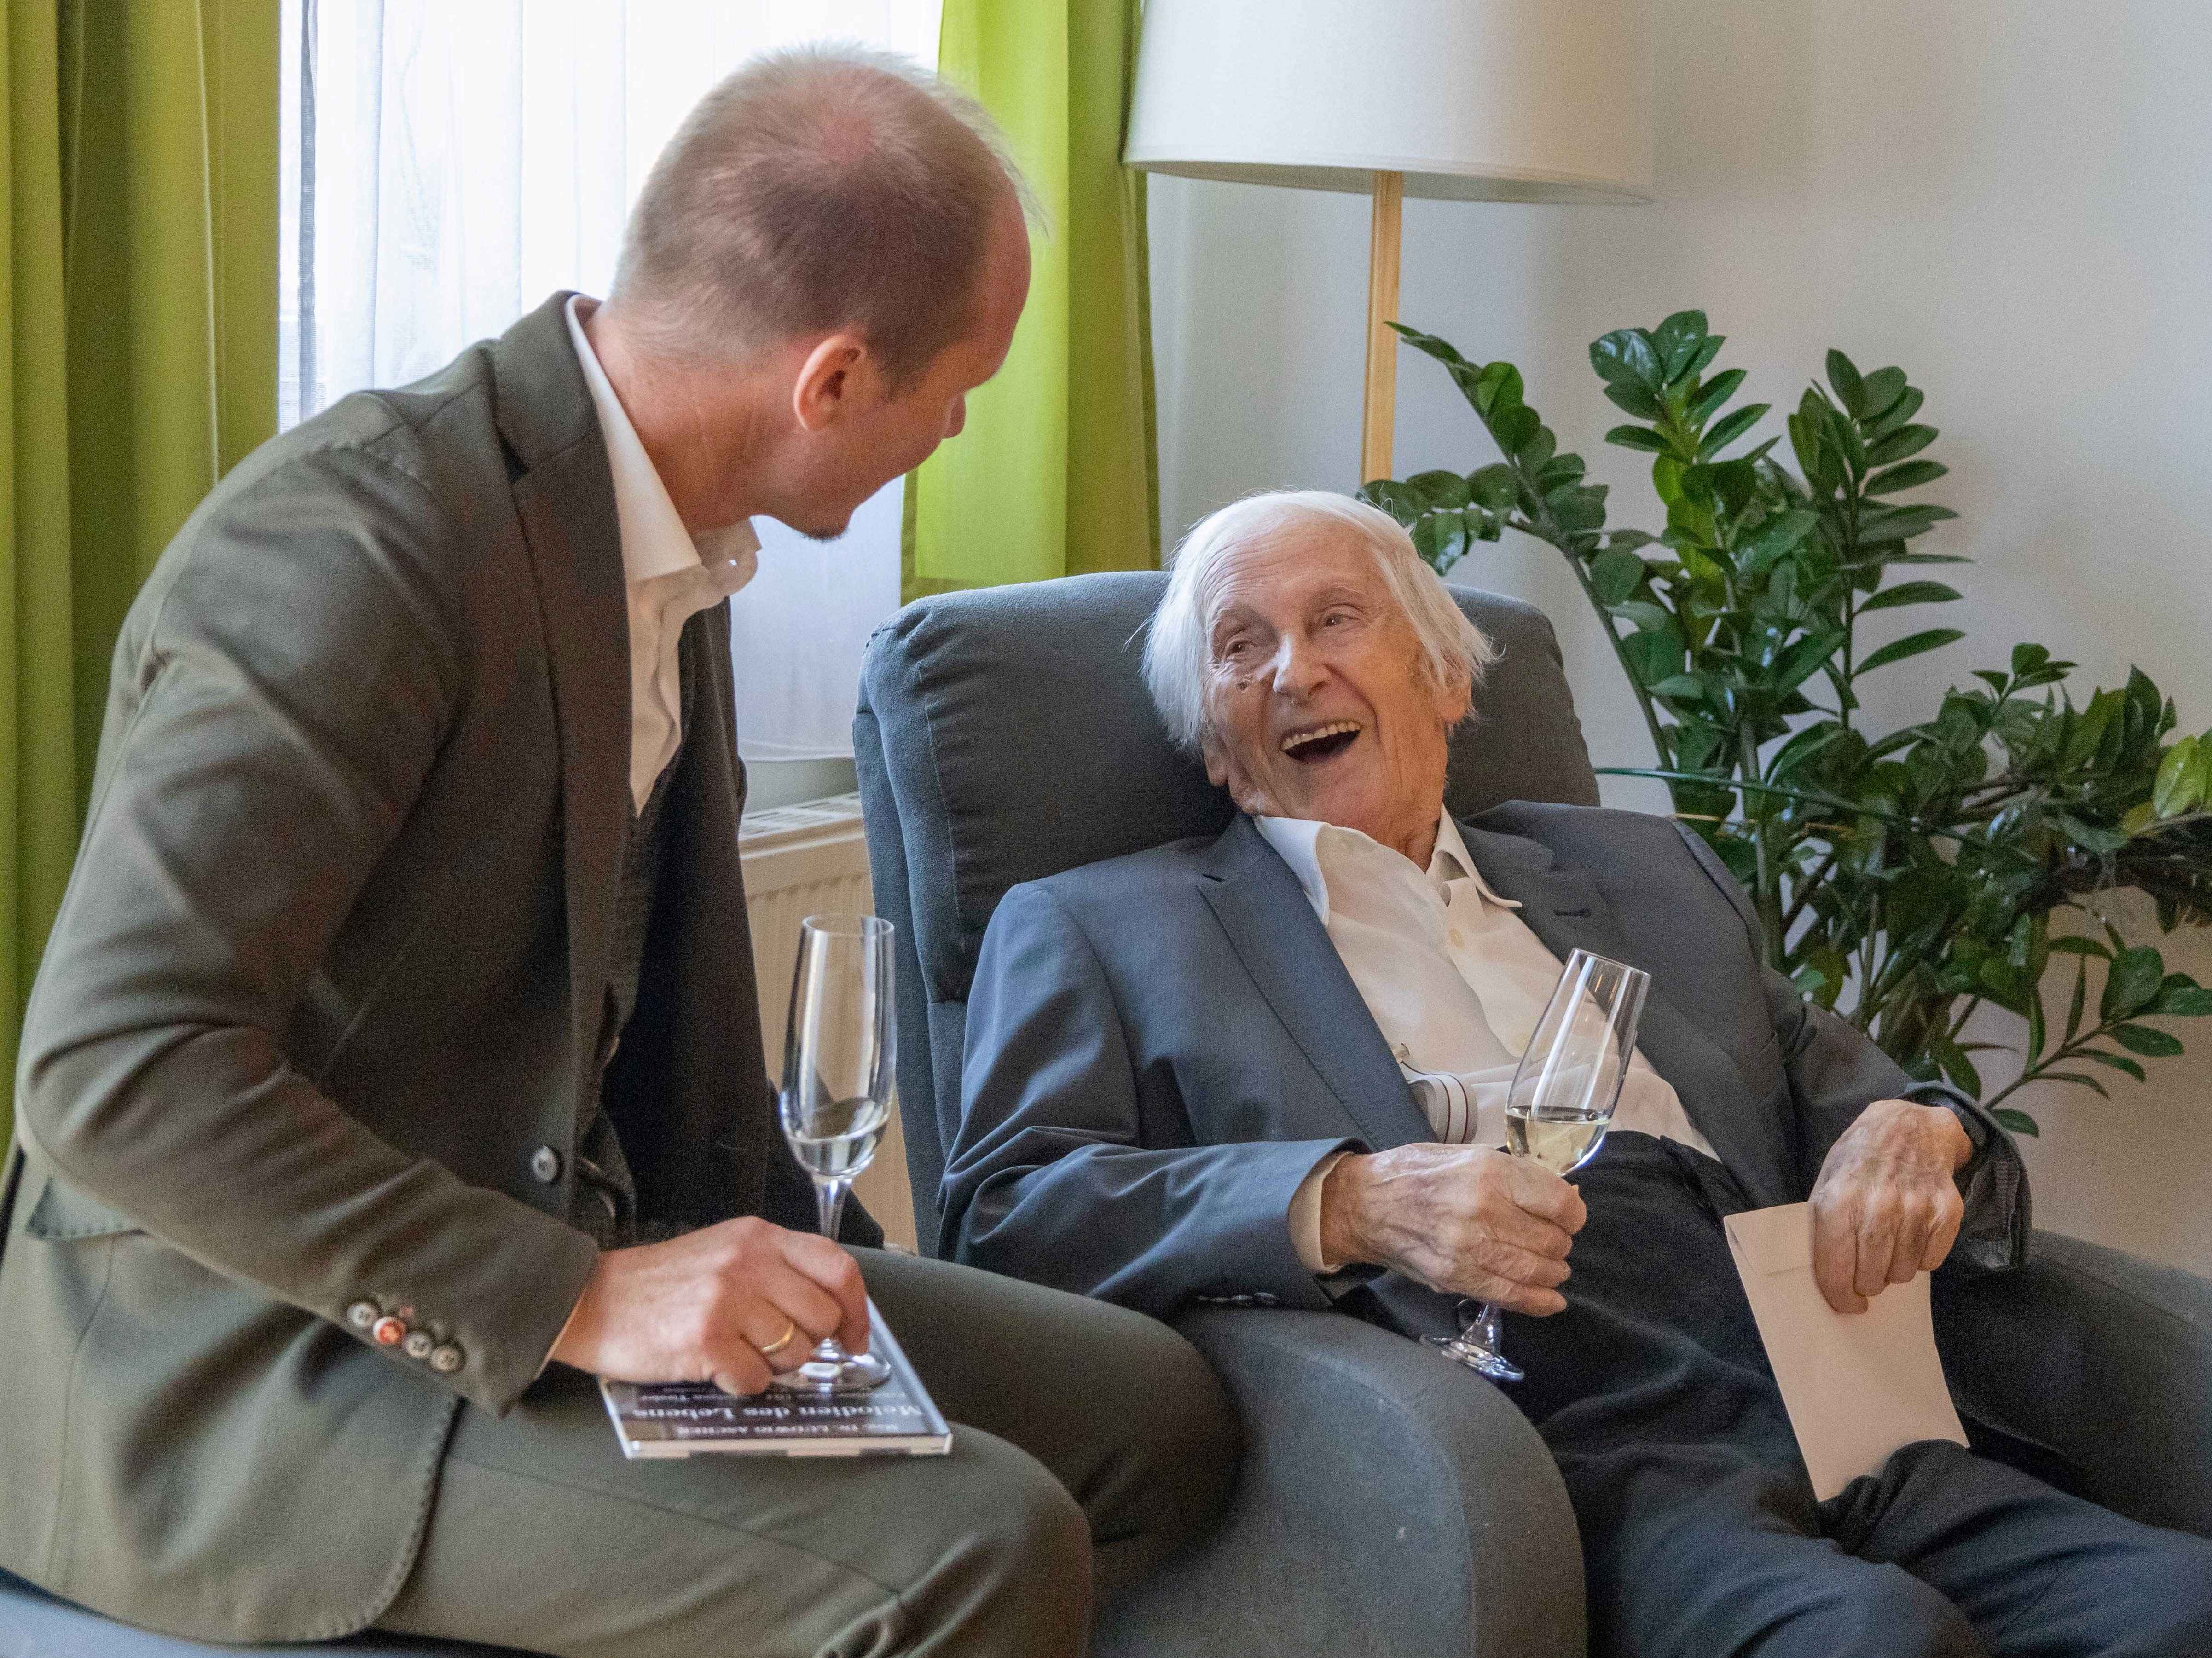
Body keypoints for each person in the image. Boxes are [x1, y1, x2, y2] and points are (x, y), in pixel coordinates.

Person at [0, 47, 1234, 1658]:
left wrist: (791, 1272)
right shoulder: (358, 544)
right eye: (961, 391)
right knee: (982, 1546)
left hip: (580, 1229)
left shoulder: (668, 528)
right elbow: (112, 1070)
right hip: (245, 1359)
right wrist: (583, 1298)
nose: (956, 429)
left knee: (1158, 1417)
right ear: (832, 381)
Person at [945, 488, 2212, 1658]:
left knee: (2181, 1607)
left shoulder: (1648, 874)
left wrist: (1916, 1129)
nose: (1295, 670)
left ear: (1445, 677)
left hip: (1837, 1400)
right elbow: (1004, 1216)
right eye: (1241, 647)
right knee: (1872, 1642)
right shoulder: (1106, 927)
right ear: (1215, 747)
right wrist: (1348, 1200)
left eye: (1337, 619)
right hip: (1572, 1450)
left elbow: (1856, 1088)